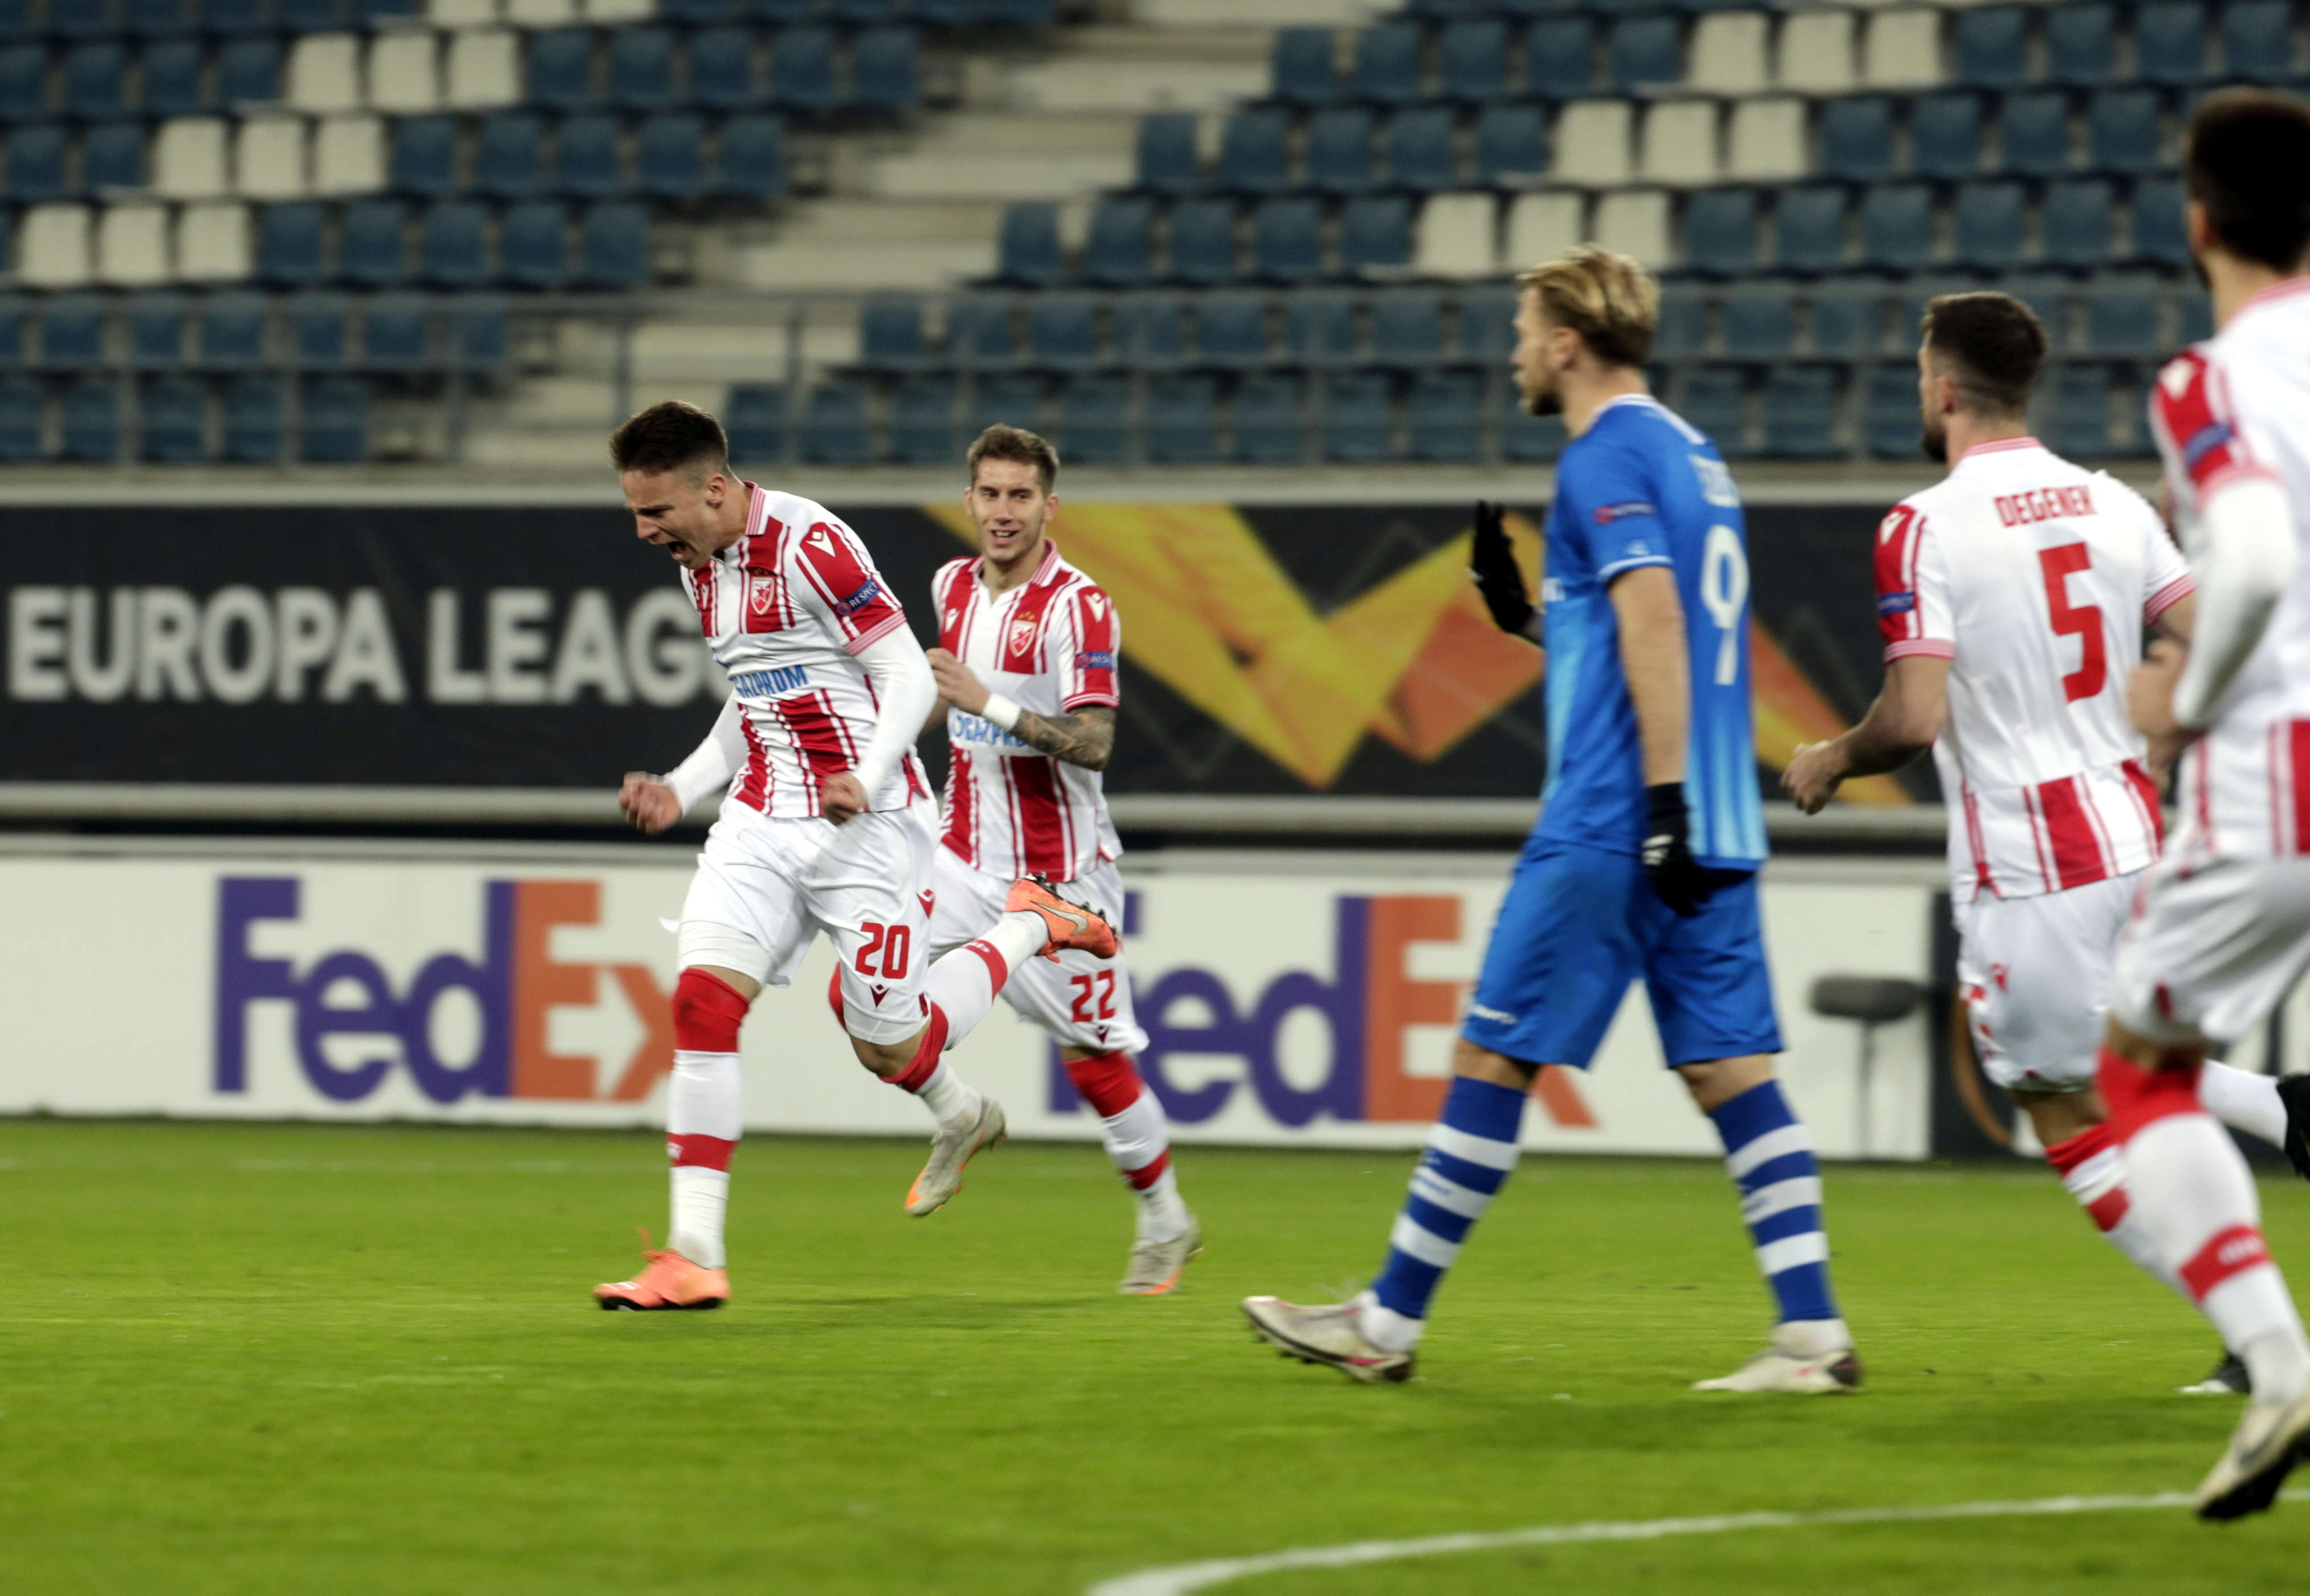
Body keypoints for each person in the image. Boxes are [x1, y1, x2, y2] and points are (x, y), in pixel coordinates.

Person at [1242, 246, 1858, 1393]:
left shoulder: (1600, 455)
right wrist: (1536, 617)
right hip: (1712, 819)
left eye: (1525, 328)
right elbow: (1652, 628)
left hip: (1618, 818)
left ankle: (1385, 1323)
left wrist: (1657, 803)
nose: (1515, 350)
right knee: (1732, 1068)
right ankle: (1812, 1332)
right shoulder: (1691, 452)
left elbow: (1660, 625)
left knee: (1492, 1049)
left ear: (1568, 341)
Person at [1783, 290, 2309, 1399]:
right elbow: (2202, 630)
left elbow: (1915, 719)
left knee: (2061, 1091)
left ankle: (2273, 1171)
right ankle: (2249, 1291)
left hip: (2031, 868)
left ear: (1941, 387)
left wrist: (1832, 754)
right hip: (2134, 834)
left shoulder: (1920, 524)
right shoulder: (2112, 505)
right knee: (2111, 1075)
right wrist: (2163, 737)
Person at [591, 401, 1116, 1311]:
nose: (642, 532)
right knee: (702, 1004)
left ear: (714, 489)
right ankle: (693, 1256)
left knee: (887, 1044)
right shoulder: (700, 563)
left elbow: (909, 673)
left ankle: (1029, 925)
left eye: (657, 512)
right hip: (762, 818)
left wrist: (868, 776)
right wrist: (684, 785)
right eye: (636, 513)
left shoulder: (812, 543)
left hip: (869, 828)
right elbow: (751, 690)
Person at [2097, 88, 2310, 1520]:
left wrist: (2179, 705)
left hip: (2279, 768)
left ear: (2196, 222)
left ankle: (2279, 1365)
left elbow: (2244, 558)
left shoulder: (2210, 378)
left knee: (2140, 1070)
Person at [921, 424, 1199, 1294]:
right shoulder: (951, 586)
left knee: (1097, 1065)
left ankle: (1166, 1221)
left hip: (1058, 882)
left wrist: (989, 702)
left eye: (1021, 496)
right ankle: (959, 1115)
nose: (1003, 512)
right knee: (865, 983)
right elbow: (947, 707)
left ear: (1050, 507)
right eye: (990, 494)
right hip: (958, 857)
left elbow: (1093, 743)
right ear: (968, 500)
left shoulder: (1080, 607)